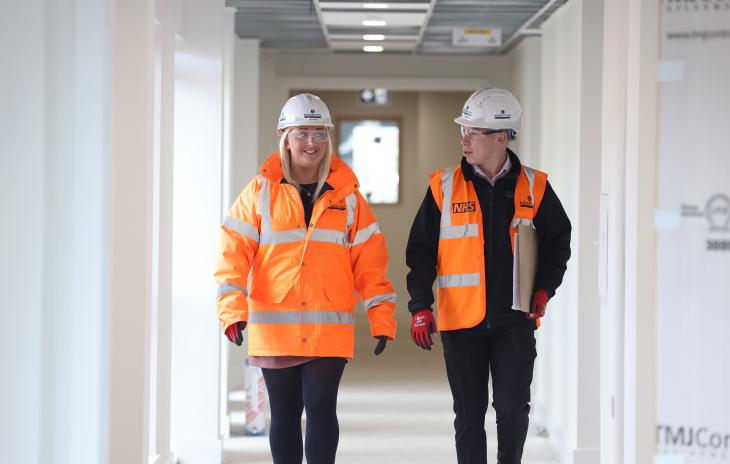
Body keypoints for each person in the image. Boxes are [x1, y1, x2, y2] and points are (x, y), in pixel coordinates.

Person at [215, 93, 397, 464]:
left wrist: (381, 316)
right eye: (302, 133)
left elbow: (371, 262)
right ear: (285, 136)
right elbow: (232, 252)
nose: (311, 143)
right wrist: (231, 310)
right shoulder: (260, 191)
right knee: (283, 413)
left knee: (321, 407)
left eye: (319, 133)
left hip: (327, 324)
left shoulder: (348, 198)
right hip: (275, 324)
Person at [405, 88, 571, 463]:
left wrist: (545, 288)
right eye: (463, 129)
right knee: (469, 414)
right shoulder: (442, 187)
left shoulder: (536, 186)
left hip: (515, 319)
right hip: (460, 322)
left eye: (473, 131)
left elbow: (558, 242)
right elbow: (420, 252)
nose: (464, 138)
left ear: (501, 136)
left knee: (513, 410)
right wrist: (420, 305)